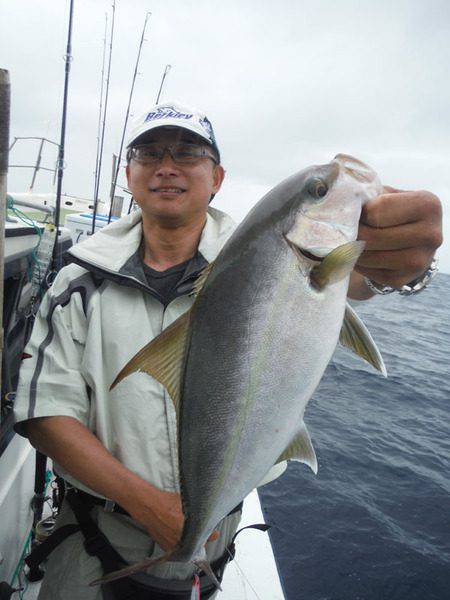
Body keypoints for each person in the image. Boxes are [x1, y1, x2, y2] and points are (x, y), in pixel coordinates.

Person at [13, 101, 443, 599]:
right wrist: (150, 505)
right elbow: (44, 410)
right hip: (92, 537)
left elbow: (361, 280)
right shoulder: (77, 280)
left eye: (188, 153)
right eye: (148, 153)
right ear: (128, 175)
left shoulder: (262, 254)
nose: (167, 166)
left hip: (215, 538)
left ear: (217, 177)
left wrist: (406, 270)